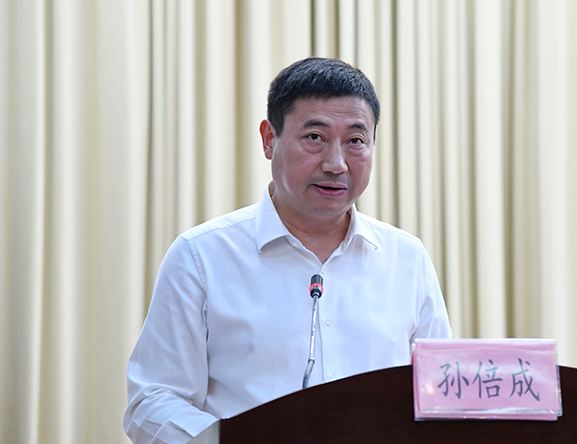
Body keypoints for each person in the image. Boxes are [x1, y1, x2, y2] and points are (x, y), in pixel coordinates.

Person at [124, 57, 452, 444]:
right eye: (315, 137)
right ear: (269, 139)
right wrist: (236, 439)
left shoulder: (407, 259)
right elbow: (154, 400)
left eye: (355, 141)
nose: (336, 164)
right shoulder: (201, 256)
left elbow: (441, 395)